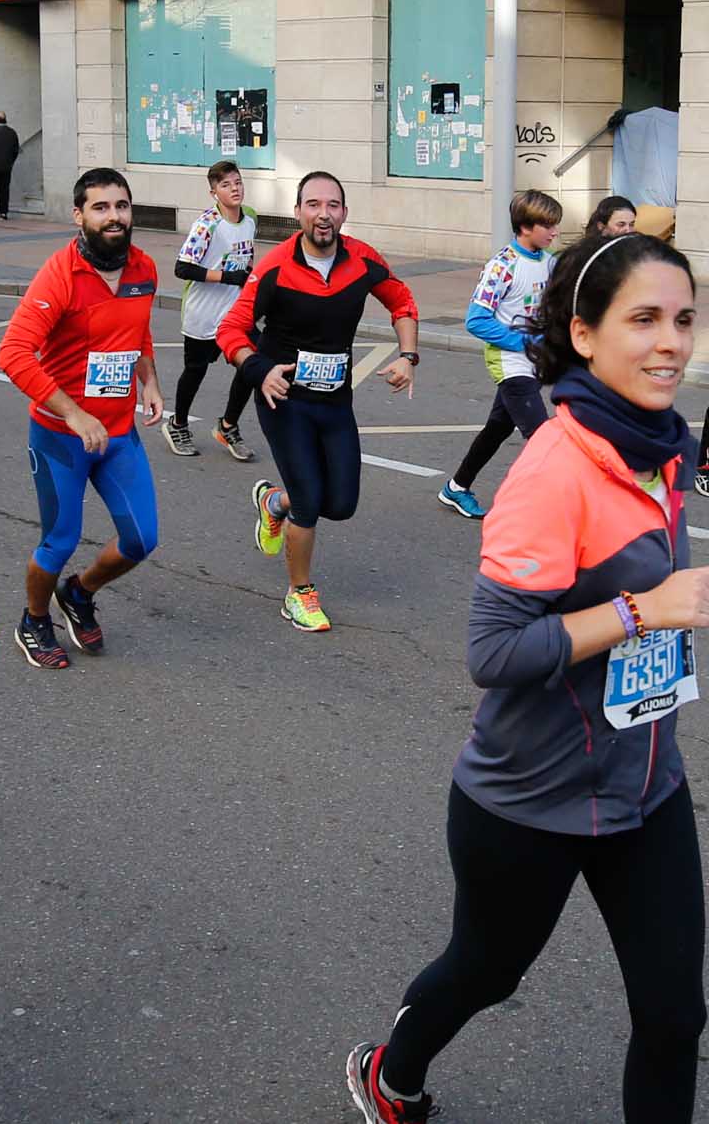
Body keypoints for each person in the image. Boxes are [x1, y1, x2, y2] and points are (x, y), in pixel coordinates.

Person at [345, 230, 708, 1124]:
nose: (672, 341)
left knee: (674, 1015)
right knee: (487, 969)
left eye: (686, 319)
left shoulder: (664, 443)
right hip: (527, 799)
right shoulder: (553, 468)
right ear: (584, 333)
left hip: (645, 786)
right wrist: (641, 610)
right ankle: (391, 1069)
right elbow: (494, 654)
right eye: (645, 320)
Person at [217, 171, 419, 633]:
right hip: (283, 398)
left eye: (332, 205)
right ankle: (299, 593)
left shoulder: (363, 259)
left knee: (341, 503)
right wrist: (259, 369)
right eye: (313, 204)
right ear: (297, 213)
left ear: (344, 213)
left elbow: (401, 301)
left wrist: (408, 355)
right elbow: (231, 329)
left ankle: (274, 502)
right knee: (310, 501)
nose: (323, 214)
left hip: (334, 401)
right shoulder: (275, 266)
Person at [0, 167, 164, 670]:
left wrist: (149, 379)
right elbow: (13, 354)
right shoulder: (60, 274)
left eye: (121, 206)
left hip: (117, 434)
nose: (114, 217)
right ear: (79, 214)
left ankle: (79, 592)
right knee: (60, 539)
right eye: (101, 207)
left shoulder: (144, 269)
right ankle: (34, 619)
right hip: (60, 436)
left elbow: (137, 331)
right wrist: (73, 415)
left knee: (141, 538)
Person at [439, 189, 562, 519]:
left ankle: (456, 487)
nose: (555, 232)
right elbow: (476, 320)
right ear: (526, 226)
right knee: (543, 438)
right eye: (548, 225)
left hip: (534, 362)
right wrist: (522, 343)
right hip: (510, 362)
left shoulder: (552, 263)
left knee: (498, 428)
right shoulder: (502, 266)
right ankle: (537, 513)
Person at [163, 159, 259, 461]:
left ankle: (228, 426)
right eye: (226, 185)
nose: (234, 189)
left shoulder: (251, 217)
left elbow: (246, 257)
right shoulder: (207, 224)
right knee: (195, 371)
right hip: (202, 312)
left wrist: (250, 285)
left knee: (251, 364)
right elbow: (182, 268)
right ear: (213, 192)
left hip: (235, 312)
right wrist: (227, 277)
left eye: (237, 182)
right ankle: (177, 424)